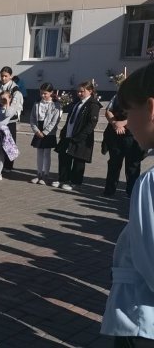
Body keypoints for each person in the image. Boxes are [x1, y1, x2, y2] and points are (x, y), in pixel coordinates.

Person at [100, 61, 154, 348]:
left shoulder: (151, 182)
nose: (127, 122)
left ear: (151, 109)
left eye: (130, 112)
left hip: (141, 316)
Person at [54, 81, 102, 191]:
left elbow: (91, 123)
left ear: (90, 91)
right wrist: (64, 131)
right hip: (69, 133)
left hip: (81, 137)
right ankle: (63, 179)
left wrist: (81, 136)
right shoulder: (76, 102)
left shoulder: (93, 104)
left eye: (82, 91)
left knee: (78, 160)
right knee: (64, 156)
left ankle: (75, 182)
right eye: (78, 91)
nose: (79, 94)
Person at [103, 94, 146, 198]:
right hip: (115, 134)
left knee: (132, 166)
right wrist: (114, 123)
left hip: (133, 136)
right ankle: (109, 190)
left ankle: (132, 192)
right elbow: (108, 110)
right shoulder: (117, 96)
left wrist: (122, 123)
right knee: (114, 163)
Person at [0, 67, 24, 172]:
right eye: (2, 76)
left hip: (9, 120)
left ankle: (8, 166)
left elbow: (16, 106)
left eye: (6, 76)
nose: (3, 78)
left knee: (9, 143)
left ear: (10, 76)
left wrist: (9, 114)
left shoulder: (15, 89)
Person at [29, 83, 61, 185]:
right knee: (39, 152)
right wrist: (36, 130)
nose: (42, 95)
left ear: (51, 93)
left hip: (49, 132)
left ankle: (45, 175)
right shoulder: (37, 104)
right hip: (39, 129)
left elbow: (54, 121)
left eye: (45, 93)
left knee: (47, 153)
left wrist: (45, 132)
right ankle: (39, 174)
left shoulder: (56, 105)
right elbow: (32, 118)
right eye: (41, 93)